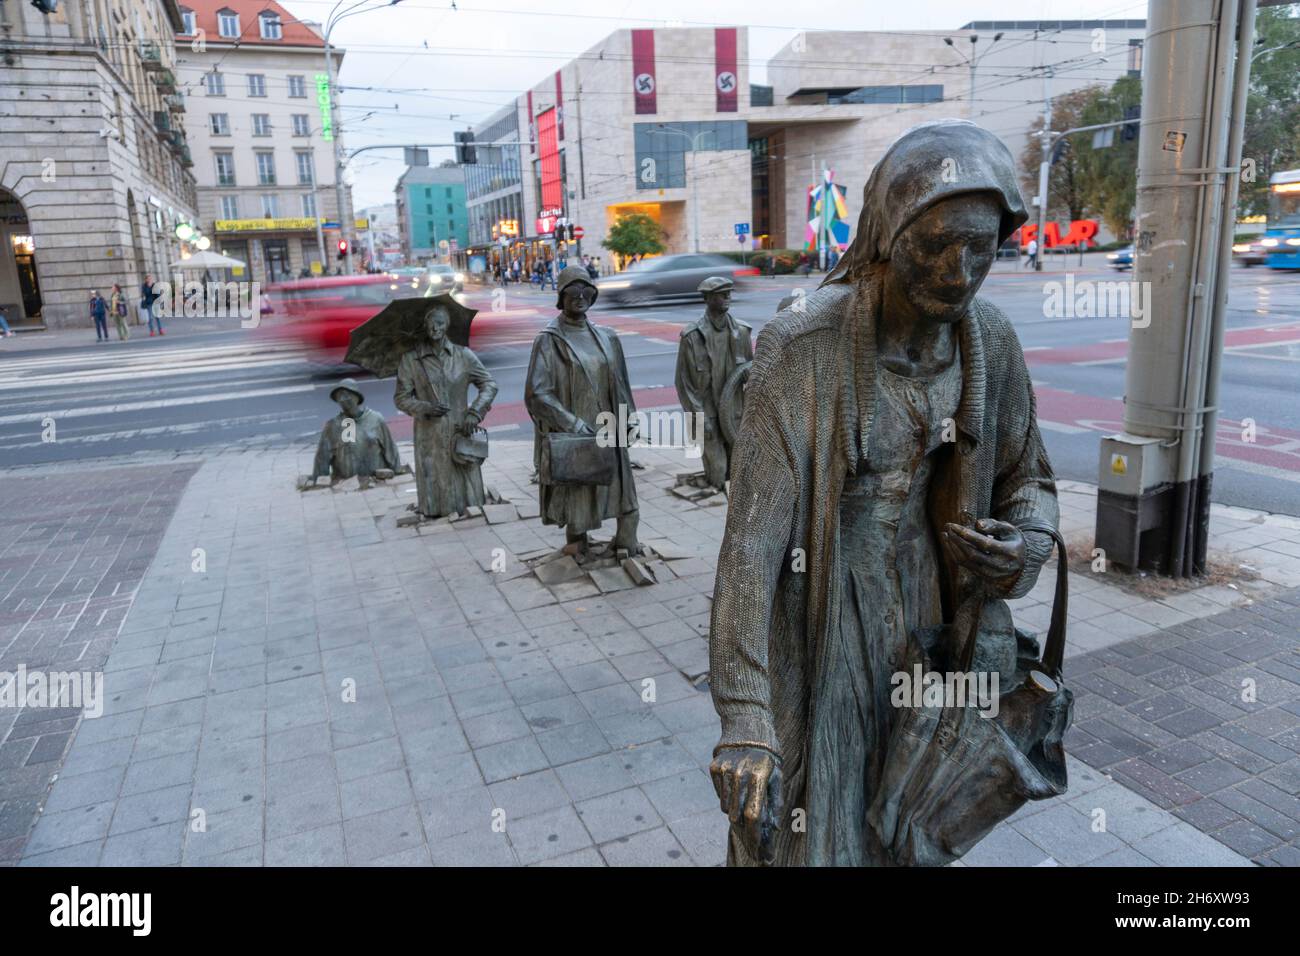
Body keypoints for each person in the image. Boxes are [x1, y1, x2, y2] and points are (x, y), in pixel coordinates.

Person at [707, 120, 1059, 867]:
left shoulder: (989, 343)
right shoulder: (804, 348)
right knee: (815, 824)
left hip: (930, 622)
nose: (959, 271)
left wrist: (1021, 547)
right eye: (935, 245)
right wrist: (744, 714)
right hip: (824, 614)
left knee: (914, 817)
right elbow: (750, 547)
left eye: (981, 249)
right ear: (887, 232)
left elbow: (1028, 478)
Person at [525, 266, 640, 556]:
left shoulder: (607, 336)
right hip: (576, 431)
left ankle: (626, 540)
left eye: (586, 291)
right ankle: (578, 542)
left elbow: (622, 382)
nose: (580, 297)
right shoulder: (549, 340)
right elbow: (537, 393)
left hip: (609, 426)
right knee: (578, 489)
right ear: (561, 297)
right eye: (572, 292)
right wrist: (572, 423)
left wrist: (630, 419)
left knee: (622, 489)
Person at [394, 303, 499, 518]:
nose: (435, 328)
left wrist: (475, 411)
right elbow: (401, 398)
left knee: (465, 476)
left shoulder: (464, 356)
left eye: (440, 323)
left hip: (461, 428)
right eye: (431, 324)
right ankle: (437, 511)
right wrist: (425, 407)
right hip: (429, 433)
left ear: (447, 325)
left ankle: (468, 508)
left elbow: (489, 384)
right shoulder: (411, 360)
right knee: (435, 477)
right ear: (425, 326)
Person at [674, 276, 753, 490]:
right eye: (721, 294)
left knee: (739, 470)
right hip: (706, 413)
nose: (727, 297)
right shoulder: (692, 336)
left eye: (729, 293)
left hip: (735, 413)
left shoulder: (742, 332)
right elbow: (684, 383)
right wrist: (698, 418)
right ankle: (711, 482)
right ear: (708, 298)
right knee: (718, 473)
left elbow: (751, 373)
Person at [307, 379, 403, 484]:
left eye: (347, 394)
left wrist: (397, 471)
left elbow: (390, 448)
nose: (343, 399)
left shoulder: (375, 419)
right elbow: (322, 458)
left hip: (376, 479)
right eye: (339, 396)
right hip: (346, 483)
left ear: (357, 396)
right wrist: (320, 481)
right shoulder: (333, 426)